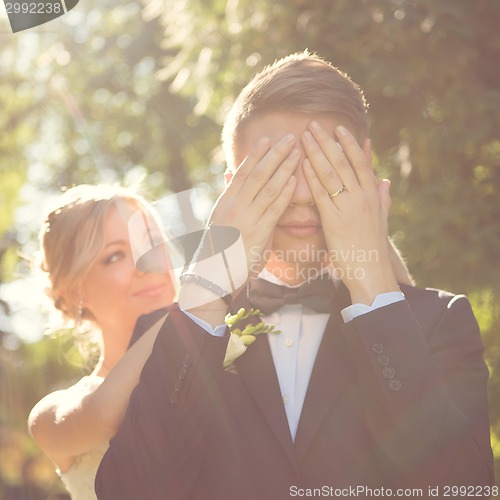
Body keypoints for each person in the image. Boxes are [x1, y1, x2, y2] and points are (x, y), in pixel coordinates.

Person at [95, 52, 494, 499]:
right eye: (278, 171)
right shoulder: (170, 335)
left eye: (326, 167)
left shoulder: (440, 320)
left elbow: (464, 488)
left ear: (364, 170)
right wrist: (207, 290)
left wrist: (372, 288)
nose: (303, 195)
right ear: (232, 187)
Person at [28, 184, 175, 500]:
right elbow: (107, 414)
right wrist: (199, 304)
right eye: (116, 255)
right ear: (76, 291)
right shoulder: (51, 416)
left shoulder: (232, 358)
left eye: (152, 244)